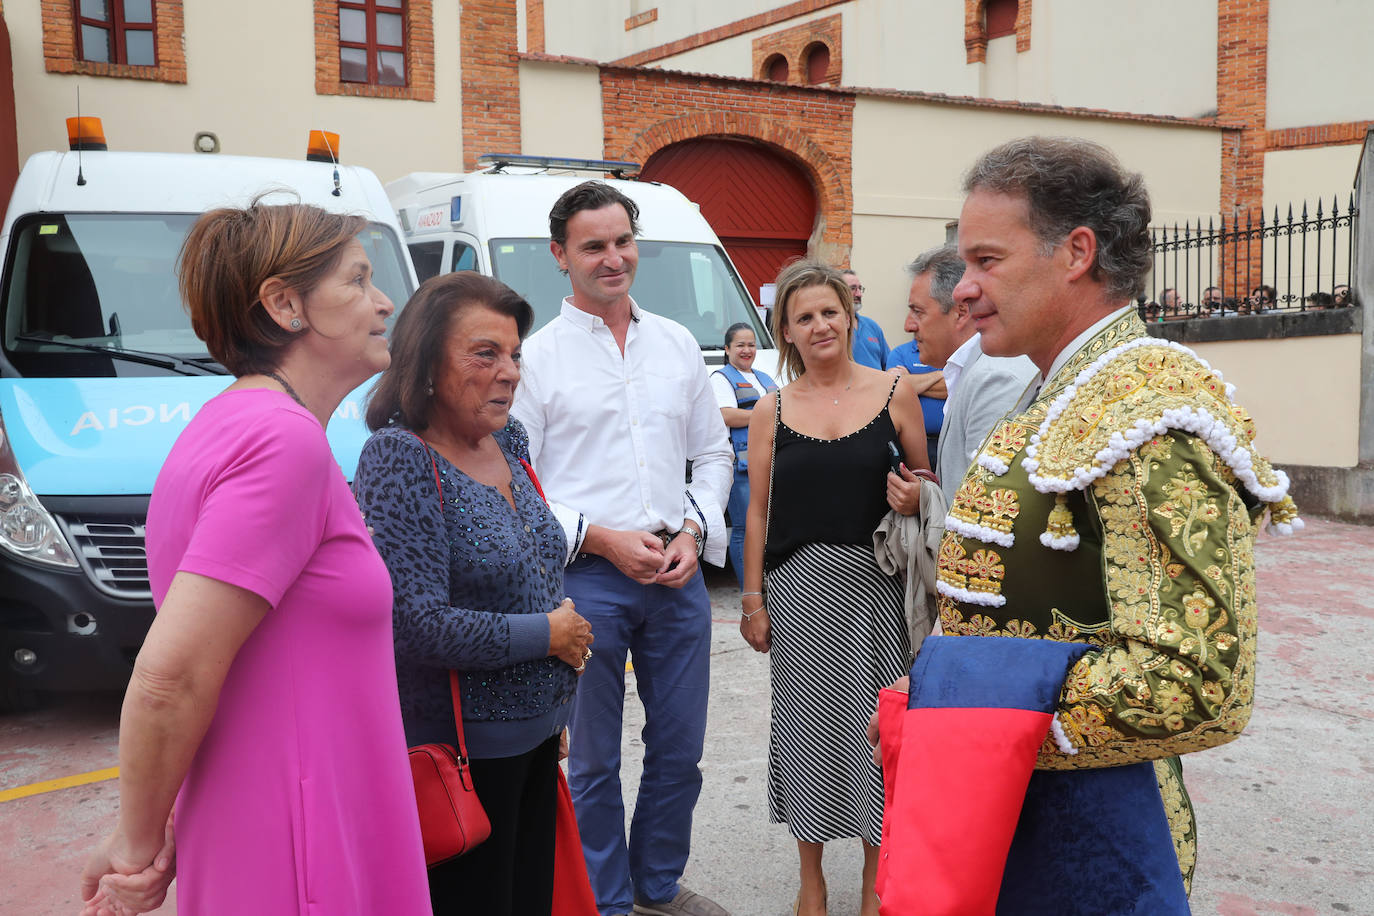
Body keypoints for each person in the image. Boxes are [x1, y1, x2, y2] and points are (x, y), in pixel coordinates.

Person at [869, 136, 1300, 912]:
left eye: (985, 261)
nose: (961, 289)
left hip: (1096, 837)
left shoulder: (1148, 413)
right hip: (1031, 812)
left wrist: (967, 706)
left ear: (1076, 253)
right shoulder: (1066, 395)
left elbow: (1202, 682)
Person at [79, 202, 431, 915]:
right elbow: (169, 677)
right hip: (298, 843)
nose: (385, 301)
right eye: (358, 280)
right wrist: (135, 840)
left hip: (281, 820)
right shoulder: (282, 442)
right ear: (285, 304)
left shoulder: (234, 422)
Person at [510, 181, 733, 916]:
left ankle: (656, 887)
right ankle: (603, 901)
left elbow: (712, 455)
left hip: (677, 576)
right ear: (560, 255)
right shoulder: (536, 360)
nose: (613, 259)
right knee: (594, 761)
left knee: (680, 753)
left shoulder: (674, 344)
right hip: (586, 580)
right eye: (593, 246)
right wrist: (601, 538)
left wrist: (695, 532)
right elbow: (519, 479)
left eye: (622, 241)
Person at [352, 272, 596, 915]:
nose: (509, 371)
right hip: (464, 753)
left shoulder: (508, 440)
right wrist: (552, 635)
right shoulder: (399, 458)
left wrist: (554, 703)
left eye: (514, 354)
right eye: (484, 353)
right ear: (427, 362)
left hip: (539, 737)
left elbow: (537, 566)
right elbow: (418, 624)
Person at [739, 259, 930, 916]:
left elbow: (925, 484)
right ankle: (811, 880)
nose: (819, 325)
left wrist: (916, 494)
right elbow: (757, 510)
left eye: (829, 312)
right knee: (808, 732)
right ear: (785, 333)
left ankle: (875, 883)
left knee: (880, 733)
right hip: (800, 596)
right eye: (803, 317)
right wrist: (753, 599)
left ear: (850, 318)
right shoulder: (770, 409)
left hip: (878, 590)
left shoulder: (895, 390)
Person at [902, 244, 1036, 505]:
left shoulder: (995, 378)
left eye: (918, 311)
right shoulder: (978, 368)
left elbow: (986, 507)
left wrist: (926, 501)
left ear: (961, 313)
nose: (908, 325)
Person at [710, 322, 778, 589]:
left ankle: (769, 584)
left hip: (772, 461)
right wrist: (765, 416)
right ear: (727, 349)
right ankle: (751, 589)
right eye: (740, 345)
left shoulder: (763, 377)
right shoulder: (721, 378)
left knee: (768, 528)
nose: (747, 350)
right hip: (742, 467)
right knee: (745, 529)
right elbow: (725, 414)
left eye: (751, 344)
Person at [844, 268, 891, 369]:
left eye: (860, 288)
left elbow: (889, 363)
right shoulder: (834, 327)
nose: (859, 294)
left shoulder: (872, 326)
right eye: (853, 288)